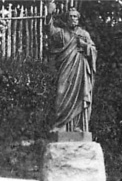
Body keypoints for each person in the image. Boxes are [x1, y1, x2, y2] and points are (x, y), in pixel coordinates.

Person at [45, 0, 97, 133]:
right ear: (67, 19)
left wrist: (85, 46)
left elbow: (93, 50)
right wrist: (49, 14)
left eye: (75, 16)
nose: (73, 19)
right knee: (61, 93)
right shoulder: (62, 33)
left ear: (78, 19)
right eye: (70, 16)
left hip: (81, 69)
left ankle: (78, 127)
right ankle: (61, 126)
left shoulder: (84, 34)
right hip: (67, 69)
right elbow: (50, 30)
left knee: (80, 95)